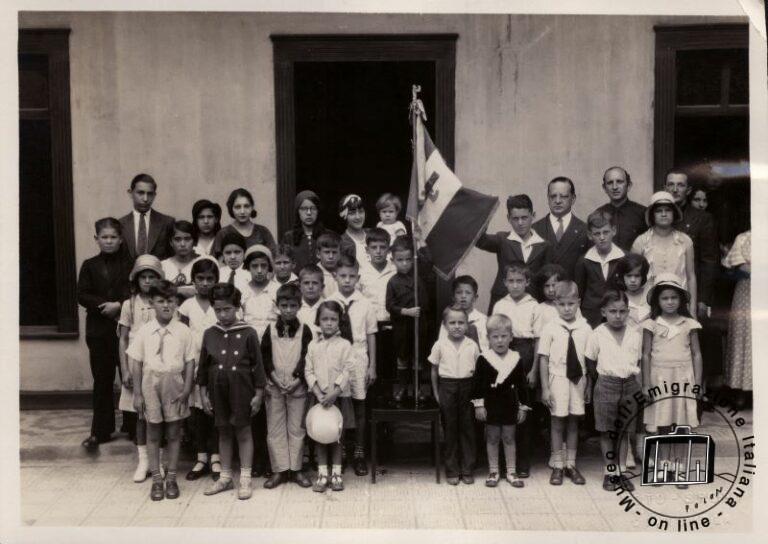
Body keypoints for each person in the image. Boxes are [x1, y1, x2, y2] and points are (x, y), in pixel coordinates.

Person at [128, 280, 196, 501]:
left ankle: (172, 477)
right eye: (160, 301)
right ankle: (157, 478)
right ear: (151, 303)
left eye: (170, 300)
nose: (166, 305)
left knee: (175, 432)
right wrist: (138, 393)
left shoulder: (184, 331)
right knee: (154, 432)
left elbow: (189, 362)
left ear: (176, 302)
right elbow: (136, 362)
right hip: (150, 384)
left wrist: (187, 388)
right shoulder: (144, 331)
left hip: (174, 384)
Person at [198, 283, 267, 500]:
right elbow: (203, 367)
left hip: (242, 389)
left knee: (244, 431)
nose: (223, 314)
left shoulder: (248, 333)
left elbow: (258, 366)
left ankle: (245, 478)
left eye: (227, 309)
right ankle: (226, 477)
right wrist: (202, 393)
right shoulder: (210, 333)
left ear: (237, 307)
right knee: (224, 431)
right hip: (217, 390)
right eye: (218, 310)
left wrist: (258, 394)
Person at [640, 273, 702, 489]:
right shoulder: (651, 324)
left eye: (674, 298)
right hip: (660, 378)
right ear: (658, 300)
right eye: (665, 298)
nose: (669, 302)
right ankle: (661, 466)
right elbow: (646, 355)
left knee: (682, 425)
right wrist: (646, 384)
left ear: (681, 300)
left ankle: (681, 468)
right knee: (662, 425)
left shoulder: (689, 323)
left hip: (683, 377)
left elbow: (696, 354)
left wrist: (698, 383)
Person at [77, 217, 132, 451]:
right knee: (102, 379)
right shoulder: (89, 265)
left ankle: (132, 426)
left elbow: (136, 290)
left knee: (129, 377)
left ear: (120, 239)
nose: (108, 241)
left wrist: (119, 305)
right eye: (104, 237)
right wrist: (105, 306)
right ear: (96, 239)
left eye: (113, 237)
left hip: (126, 329)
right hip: (99, 331)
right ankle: (101, 430)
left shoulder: (131, 264)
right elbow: (82, 294)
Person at [585, 290, 642, 492]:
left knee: (624, 431)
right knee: (608, 431)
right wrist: (600, 381)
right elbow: (590, 361)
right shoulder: (597, 334)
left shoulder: (635, 333)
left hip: (629, 384)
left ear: (628, 312)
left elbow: (639, 360)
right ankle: (610, 473)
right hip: (606, 384)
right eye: (613, 311)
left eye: (622, 311)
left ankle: (621, 472)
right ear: (603, 312)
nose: (618, 316)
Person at [260, 283, 314, 489]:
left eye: (293, 305)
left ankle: (297, 469)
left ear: (299, 306)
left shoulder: (305, 330)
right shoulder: (270, 329)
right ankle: (279, 470)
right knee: (275, 429)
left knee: (296, 429)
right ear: (277, 306)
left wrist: (296, 380)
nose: (288, 310)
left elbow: (307, 358)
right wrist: (274, 378)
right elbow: (264, 356)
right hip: (275, 387)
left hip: (296, 387)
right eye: (284, 305)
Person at [538, 281, 591, 486]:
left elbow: (589, 359)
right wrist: (545, 387)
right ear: (555, 304)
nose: (567, 309)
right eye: (562, 305)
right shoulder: (550, 328)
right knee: (557, 421)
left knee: (573, 422)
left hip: (578, 380)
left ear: (578, 303)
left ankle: (571, 463)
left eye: (571, 304)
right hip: (557, 378)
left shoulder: (585, 328)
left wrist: (589, 385)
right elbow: (543, 358)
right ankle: (558, 465)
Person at [329, 256, 378, 476]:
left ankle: (359, 453)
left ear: (358, 278)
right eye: (342, 276)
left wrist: (372, 366)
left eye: (351, 276)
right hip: (335, 358)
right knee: (338, 406)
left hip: (358, 358)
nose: (347, 281)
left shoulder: (365, 303)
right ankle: (341, 452)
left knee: (359, 407)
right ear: (334, 277)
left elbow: (371, 335)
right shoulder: (329, 302)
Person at [118, 254, 164, 482]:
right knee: (140, 416)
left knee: (159, 414)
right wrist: (125, 370)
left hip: (159, 364)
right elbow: (123, 339)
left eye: (152, 277)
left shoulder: (163, 302)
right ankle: (144, 460)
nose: (147, 281)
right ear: (136, 280)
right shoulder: (129, 304)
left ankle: (159, 460)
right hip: (136, 364)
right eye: (143, 277)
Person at [491, 262, 539, 478]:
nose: (515, 285)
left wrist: (534, 369)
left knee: (524, 409)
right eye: (511, 281)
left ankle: (522, 462)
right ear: (504, 283)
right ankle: (502, 462)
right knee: (503, 407)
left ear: (527, 282)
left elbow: (538, 340)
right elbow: (493, 334)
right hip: (504, 351)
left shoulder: (534, 305)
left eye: (520, 281)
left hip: (526, 353)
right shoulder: (500, 305)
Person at [472, 314, 530, 488]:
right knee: (492, 437)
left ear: (511, 337)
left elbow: (522, 385)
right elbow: (478, 384)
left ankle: (511, 471)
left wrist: (523, 407)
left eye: (504, 336)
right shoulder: (484, 358)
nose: (500, 341)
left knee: (509, 437)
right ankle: (493, 471)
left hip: (509, 404)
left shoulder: (516, 358)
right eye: (495, 337)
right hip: (491, 404)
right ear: (488, 338)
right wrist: (479, 405)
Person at [178, 258, 221, 482]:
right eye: (200, 279)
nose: (205, 284)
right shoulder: (186, 306)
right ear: (193, 281)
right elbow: (182, 337)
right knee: (197, 416)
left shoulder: (220, 304)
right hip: (193, 366)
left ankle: (216, 458)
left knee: (213, 412)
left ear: (216, 280)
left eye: (210, 279)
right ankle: (201, 457)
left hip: (216, 368)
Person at [305, 301, 355, 492]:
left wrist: (335, 392)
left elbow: (347, 369)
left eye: (333, 319)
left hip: (338, 397)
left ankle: (336, 473)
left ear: (339, 321)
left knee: (336, 437)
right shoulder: (312, 345)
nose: (328, 323)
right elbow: (308, 370)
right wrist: (318, 392)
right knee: (320, 435)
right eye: (324, 319)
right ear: (318, 320)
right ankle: (322, 474)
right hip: (319, 398)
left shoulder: (345, 345)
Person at [429, 306, 480, 485]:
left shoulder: (472, 345)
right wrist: (436, 393)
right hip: (447, 387)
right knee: (450, 429)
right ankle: (451, 469)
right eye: (452, 323)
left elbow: (478, 373)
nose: (457, 326)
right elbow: (434, 370)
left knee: (467, 428)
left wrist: (477, 396)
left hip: (467, 387)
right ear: (444, 325)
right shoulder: (440, 345)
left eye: (461, 323)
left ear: (467, 325)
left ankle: (467, 468)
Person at [477, 194, 549, 311]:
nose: (520, 223)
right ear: (508, 218)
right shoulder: (502, 239)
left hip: (532, 301)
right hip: (502, 299)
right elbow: (480, 240)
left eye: (524, 218)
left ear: (533, 216)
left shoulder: (544, 245)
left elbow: (546, 277)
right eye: (515, 218)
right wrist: (486, 211)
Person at [665, 169, 719, 321]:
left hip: (690, 291)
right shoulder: (656, 217)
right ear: (665, 188)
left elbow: (709, 261)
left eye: (680, 185)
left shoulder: (703, 219)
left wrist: (703, 299)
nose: (675, 189)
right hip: (662, 290)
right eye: (671, 185)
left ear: (688, 190)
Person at [631, 191, 697, 313]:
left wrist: (692, 310)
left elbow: (691, 277)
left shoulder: (685, 241)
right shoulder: (641, 242)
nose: (663, 214)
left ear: (674, 213)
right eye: (658, 211)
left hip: (678, 305)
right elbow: (633, 277)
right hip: (648, 306)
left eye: (668, 210)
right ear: (651, 215)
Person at [386, 235, 430, 404]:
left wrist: (421, 241)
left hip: (420, 325)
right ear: (393, 260)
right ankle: (403, 387)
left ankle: (417, 389)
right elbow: (389, 305)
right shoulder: (392, 282)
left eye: (407, 259)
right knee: (403, 358)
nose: (404, 263)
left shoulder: (420, 274)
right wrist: (406, 311)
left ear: (413, 259)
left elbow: (429, 261)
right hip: (402, 327)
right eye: (400, 260)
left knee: (418, 358)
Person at [358, 228, 397, 390]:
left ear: (389, 249)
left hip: (391, 324)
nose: (378, 251)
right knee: (371, 366)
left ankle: (389, 402)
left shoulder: (395, 270)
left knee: (390, 366)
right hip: (370, 328)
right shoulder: (362, 273)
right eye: (374, 247)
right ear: (367, 250)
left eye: (382, 247)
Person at [574, 210, 625, 327]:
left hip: (616, 316)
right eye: (597, 233)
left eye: (606, 232)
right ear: (590, 235)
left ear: (614, 231)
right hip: (591, 317)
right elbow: (579, 294)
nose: (602, 237)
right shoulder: (584, 261)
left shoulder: (623, 258)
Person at [532, 177, 590, 280]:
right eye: (553, 196)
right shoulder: (534, 229)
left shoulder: (585, 230)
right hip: (542, 293)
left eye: (563, 196)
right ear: (548, 198)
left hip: (572, 294)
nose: (557, 201)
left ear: (573, 199)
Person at [723, 231, 751, 409]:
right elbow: (740, 265)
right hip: (747, 292)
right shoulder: (743, 237)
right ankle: (741, 390)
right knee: (744, 337)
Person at [119, 173, 175, 261]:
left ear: (154, 195)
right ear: (130, 193)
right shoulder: (120, 224)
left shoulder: (167, 222)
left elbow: (172, 258)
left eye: (150, 194)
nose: (145, 199)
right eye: (140, 193)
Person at [211, 188, 276, 258]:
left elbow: (273, 257)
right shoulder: (223, 234)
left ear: (252, 207)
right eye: (237, 207)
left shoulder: (263, 232)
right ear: (231, 209)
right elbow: (216, 262)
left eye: (246, 206)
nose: (242, 211)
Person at [593, 166, 646, 251]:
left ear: (629, 185)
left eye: (619, 182)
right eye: (610, 183)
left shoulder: (643, 213)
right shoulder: (598, 214)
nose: (615, 187)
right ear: (604, 188)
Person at [282, 190, 333, 272]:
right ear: (298, 211)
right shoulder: (288, 237)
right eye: (304, 209)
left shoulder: (329, 235)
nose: (309, 213)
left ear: (318, 211)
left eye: (313, 208)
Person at [438, 275, 488, 352]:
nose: (463, 296)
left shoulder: (483, 320)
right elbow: (441, 346)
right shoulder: (448, 319)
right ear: (453, 297)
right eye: (459, 292)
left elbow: (486, 348)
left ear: (475, 297)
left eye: (468, 293)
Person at [241, 245, 278, 338]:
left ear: (269, 266)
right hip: (249, 341)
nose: (259, 270)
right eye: (254, 266)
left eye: (263, 265)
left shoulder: (277, 289)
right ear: (248, 267)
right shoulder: (242, 291)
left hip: (273, 340)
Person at [161, 220, 200, 300]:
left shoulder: (201, 263)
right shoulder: (163, 266)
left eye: (187, 239)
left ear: (194, 241)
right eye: (177, 239)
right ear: (171, 242)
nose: (182, 244)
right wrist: (178, 290)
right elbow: (157, 291)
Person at [611, 254, 651, 329]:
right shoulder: (618, 298)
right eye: (629, 276)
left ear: (643, 276)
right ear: (622, 276)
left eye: (637, 276)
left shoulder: (650, 295)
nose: (633, 280)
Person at [338, 194, 369, 266]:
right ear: (344, 216)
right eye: (352, 213)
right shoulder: (341, 242)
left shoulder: (373, 233)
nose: (358, 217)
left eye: (361, 211)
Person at [297, 264, 325, 338]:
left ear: (322, 287)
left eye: (315, 283)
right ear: (299, 286)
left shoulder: (327, 306)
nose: (310, 287)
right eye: (306, 283)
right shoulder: (294, 308)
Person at [217, 230, 250, 295]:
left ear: (245, 253)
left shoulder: (250, 273)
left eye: (237, 252)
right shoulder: (219, 273)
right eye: (228, 253)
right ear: (222, 254)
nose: (232, 257)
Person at [316, 232, 342, 298]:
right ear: (318, 254)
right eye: (327, 252)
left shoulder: (344, 272)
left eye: (334, 252)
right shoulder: (314, 274)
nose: (331, 256)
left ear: (340, 254)